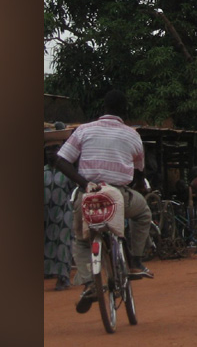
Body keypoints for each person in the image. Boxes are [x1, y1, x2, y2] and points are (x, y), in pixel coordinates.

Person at [54, 89, 154, 314]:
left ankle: (90, 283)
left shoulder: (84, 130)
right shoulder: (132, 135)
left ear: (103, 109)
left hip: (88, 195)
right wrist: (138, 184)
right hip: (119, 195)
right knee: (143, 213)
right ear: (124, 111)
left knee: (81, 239)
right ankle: (136, 262)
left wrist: (83, 184)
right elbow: (139, 170)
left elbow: (61, 160)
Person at [44, 142, 75, 291]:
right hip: (46, 214)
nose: (50, 153)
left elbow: (73, 190)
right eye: (47, 150)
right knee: (48, 244)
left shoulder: (67, 172)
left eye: (54, 150)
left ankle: (63, 278)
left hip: (63, 212)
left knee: (63, 244)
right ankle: (50, 272)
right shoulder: (43, 172)